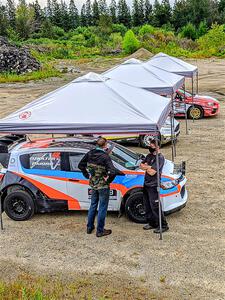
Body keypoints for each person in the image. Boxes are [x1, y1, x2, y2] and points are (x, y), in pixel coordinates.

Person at [78, 137, 124, 237]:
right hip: (103, 186)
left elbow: (80, 165)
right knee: (102, 208)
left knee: (93, 205)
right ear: (105, 145)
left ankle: (89, 228)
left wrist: (87, 175)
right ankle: (100, 231)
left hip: (93, 184)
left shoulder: (90, 153)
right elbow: (112, 171)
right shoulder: (105, 156)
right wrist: (108, 181)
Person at [140, 138, 169, 234]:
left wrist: (147, 167)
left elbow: (152, 172)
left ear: (157, 147)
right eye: (150, 146)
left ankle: (163, 225)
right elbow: (141, 165)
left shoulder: (160, 158)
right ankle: (152, 223)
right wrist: (148, 167)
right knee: (147, 205)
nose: (150, 148)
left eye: (152, 147)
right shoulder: (149, 156)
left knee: (156, 206)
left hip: (154, 185)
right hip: (146, 184)